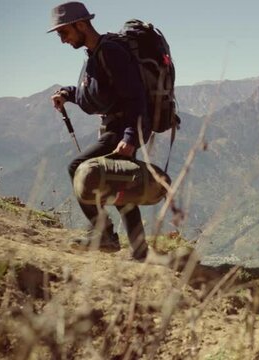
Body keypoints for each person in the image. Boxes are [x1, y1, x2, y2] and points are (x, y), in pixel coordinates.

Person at [48, 2, 150, 260]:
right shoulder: (94, 54)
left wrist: (129, 138)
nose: (62, 40)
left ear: (81, 25)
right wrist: (67, 94)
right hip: (115, 128)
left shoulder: (111, 52)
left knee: (78, 168)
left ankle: (104, 233)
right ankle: (139, 252)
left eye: (64, 32)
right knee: (121, 188)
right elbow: (92, 93)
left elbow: (136, 98)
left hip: (121, 129)